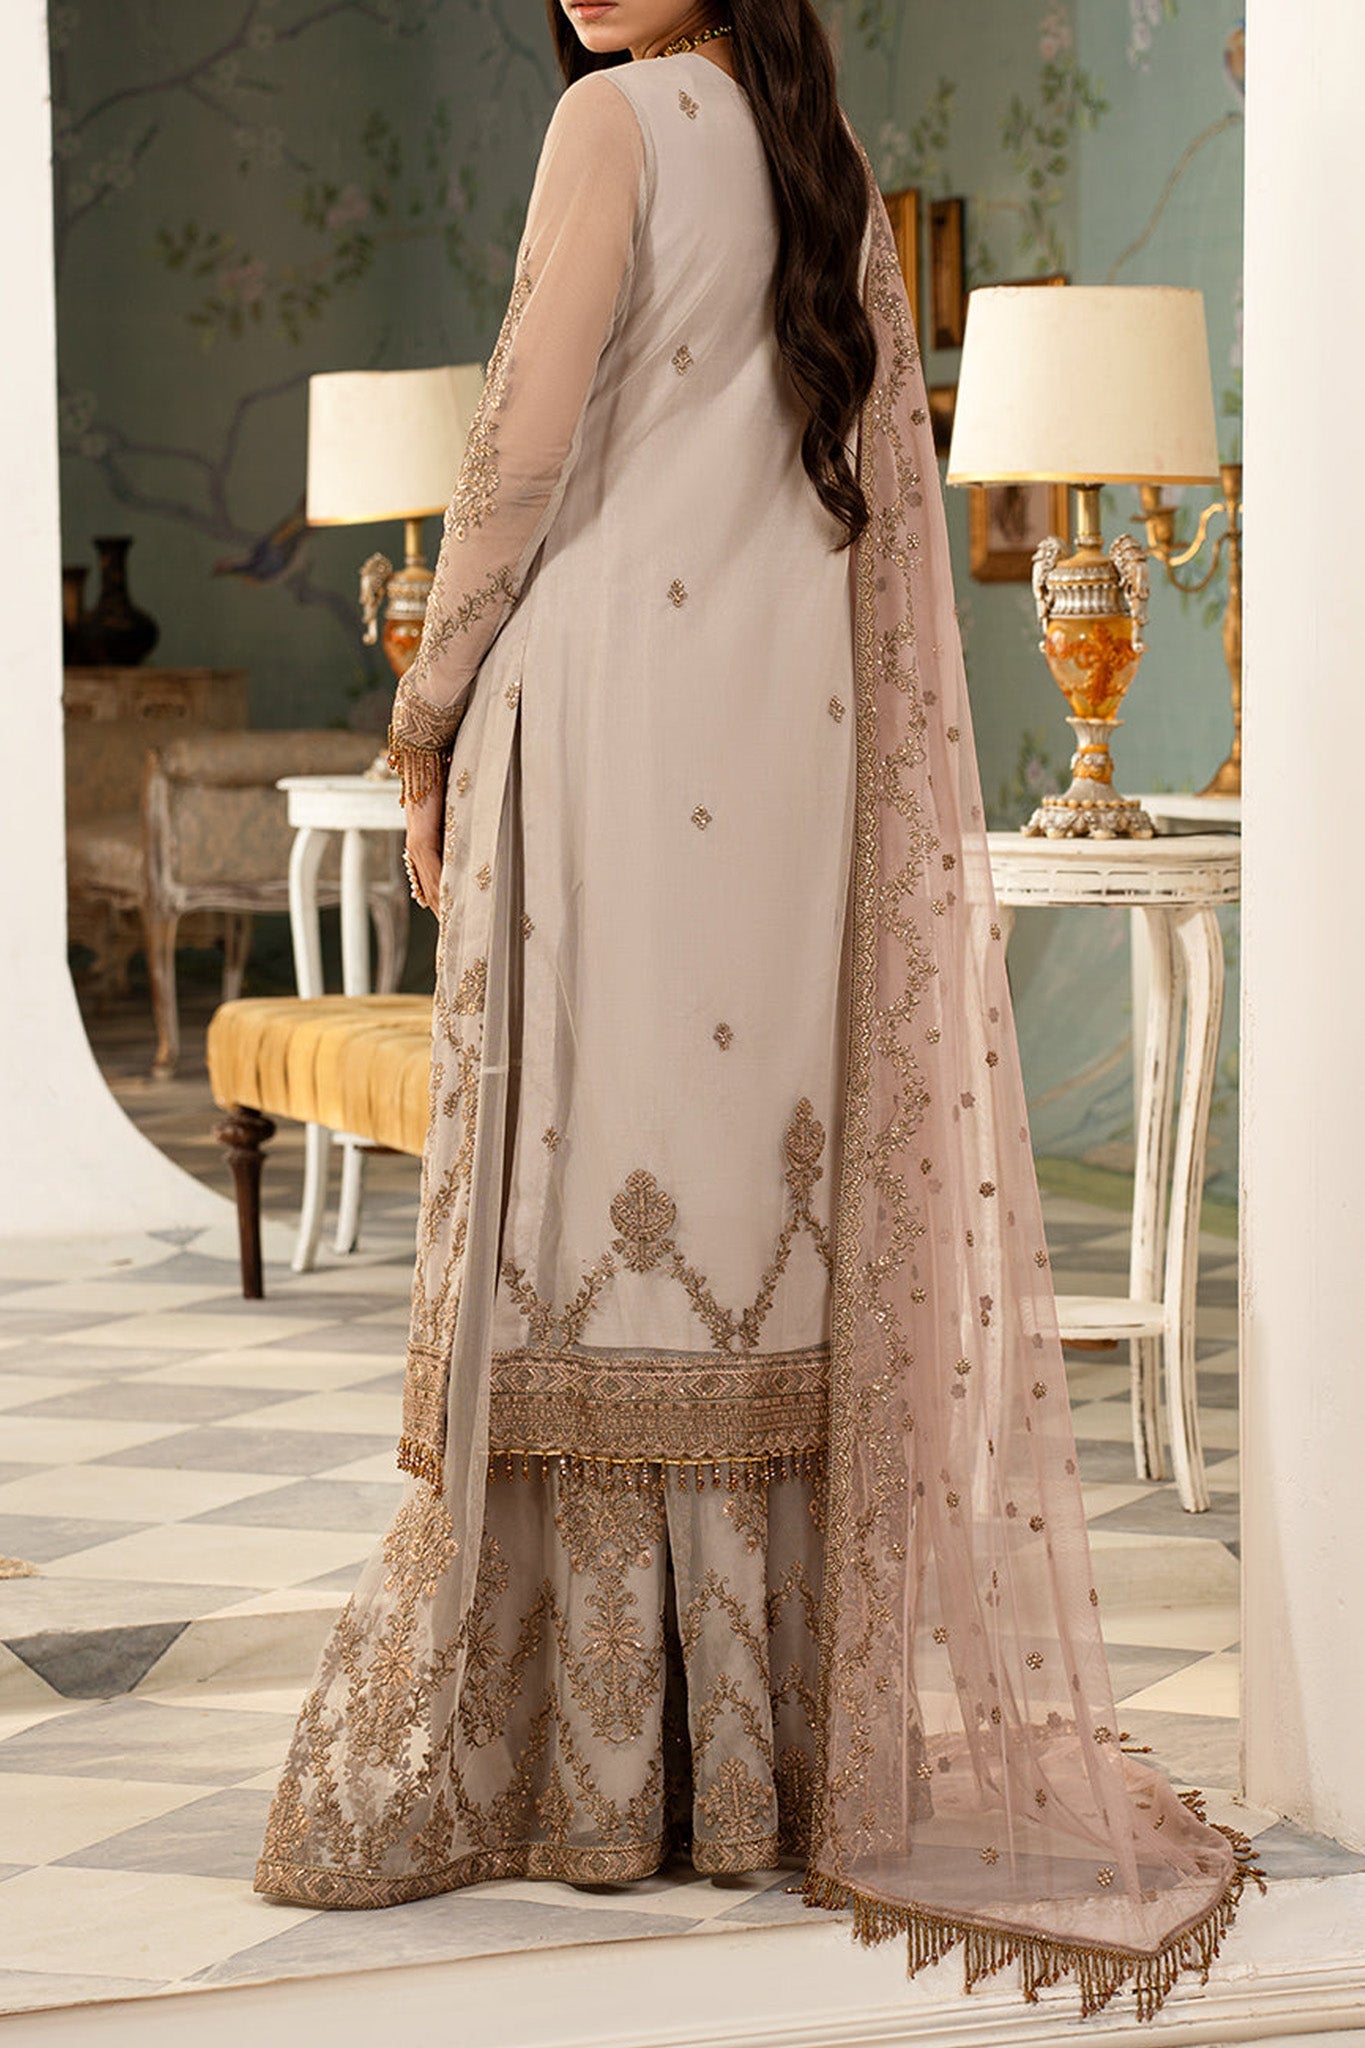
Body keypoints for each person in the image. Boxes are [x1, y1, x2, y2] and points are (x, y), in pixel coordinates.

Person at [255, 0, 1261, 2015]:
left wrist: (426, 707)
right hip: (787, 750)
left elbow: (517, 456)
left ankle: (595, 1763)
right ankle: (765, 1755)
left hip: (611, 727)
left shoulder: (615, 125)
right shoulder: (826, 158)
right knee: (742, 1201)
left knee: (591, 1204)